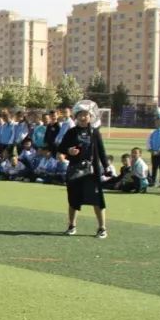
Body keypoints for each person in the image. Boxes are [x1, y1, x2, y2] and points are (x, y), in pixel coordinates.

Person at [57, 102, 111, 238]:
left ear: (90, 116)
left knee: (97, 200)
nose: (83, 117)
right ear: (76, 116)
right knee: (73, 199)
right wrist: (69, 151)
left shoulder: (94, 132)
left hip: (92, 171)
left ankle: (102, 228)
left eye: (86, 114)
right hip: (75, 170)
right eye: (80, 114)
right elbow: (61, 150)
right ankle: (71, 226)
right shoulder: (71, 132)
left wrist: (106, 167)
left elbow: (101, 151)